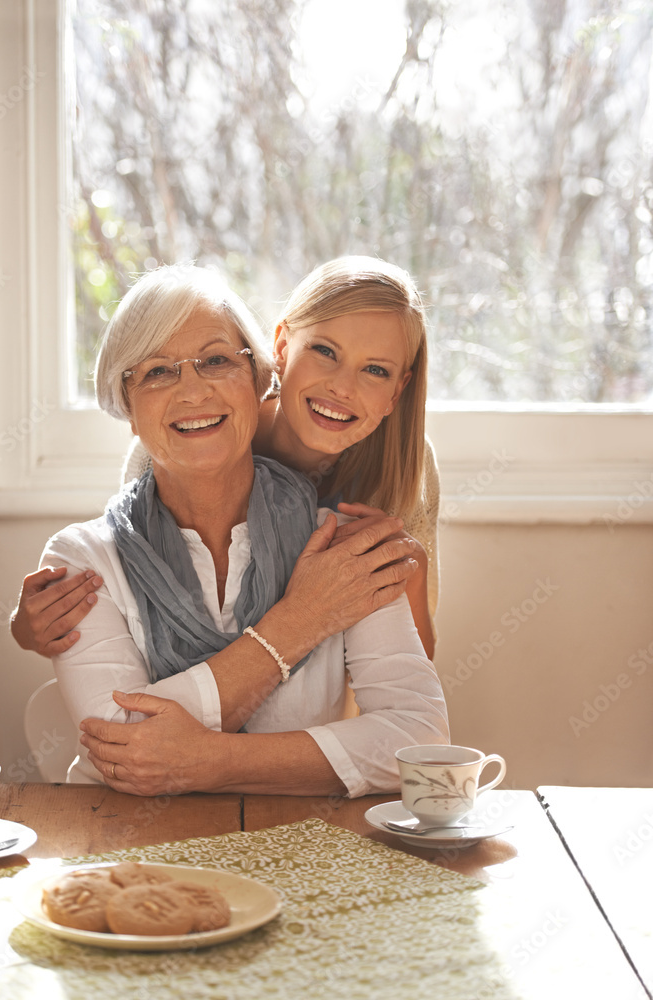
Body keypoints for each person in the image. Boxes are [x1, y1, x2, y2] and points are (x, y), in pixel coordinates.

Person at [34, 263, 448, 796]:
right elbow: (127, 749)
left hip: (300, 823)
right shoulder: (89, 552)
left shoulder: (357, 537)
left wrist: (215, 762)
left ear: (253, 381)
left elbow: (417, 732)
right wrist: (303, 619)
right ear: (128, 408)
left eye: (215, 361)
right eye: (158, 371)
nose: (192, 392)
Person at [12, 256, 441, 660]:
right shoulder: (187, 439)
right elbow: (134, 593)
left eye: (375, 370)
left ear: (396, 392)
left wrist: (413, 573)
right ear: (282, 345)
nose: (342, 388)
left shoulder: (407, 469)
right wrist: (32, 628)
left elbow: (410, 675)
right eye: (325, 351)